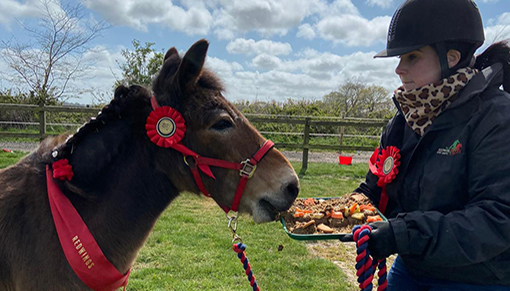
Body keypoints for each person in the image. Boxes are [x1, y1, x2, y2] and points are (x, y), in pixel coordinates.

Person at [353, 0, 510, 289]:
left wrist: (403, 234)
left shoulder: (497, 118)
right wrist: (342, 206)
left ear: (450, 57)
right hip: (414, 266)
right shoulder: (403, 120)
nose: (399, 69)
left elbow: (498, 218)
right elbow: (376, 190)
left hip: (478, 277)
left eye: (412, 57)